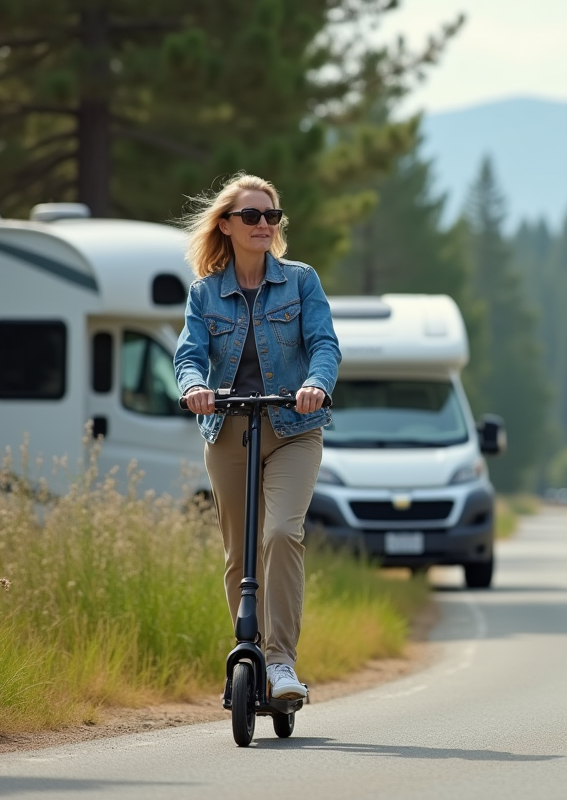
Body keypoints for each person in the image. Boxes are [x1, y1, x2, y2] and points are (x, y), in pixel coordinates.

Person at [174, 173, 340, 701]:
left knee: (281, 534)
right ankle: (252, 652)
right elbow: (189, 352)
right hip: (229, 431)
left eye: (272, 216)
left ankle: (281, 663)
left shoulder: (300, 281)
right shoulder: (205, 294)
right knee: (239, 556)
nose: (264, 224)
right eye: (252, 216)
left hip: (293, 428)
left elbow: (323, 344)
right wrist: (195, 385)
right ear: (226, 225)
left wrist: (315, 383)